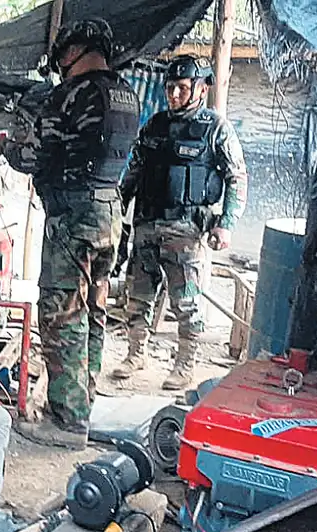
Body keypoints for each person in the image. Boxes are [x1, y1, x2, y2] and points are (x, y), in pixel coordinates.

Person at [0, 18, 141, 449]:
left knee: (62, 314)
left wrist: (0, 144)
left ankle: (66, 421)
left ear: (73, 51)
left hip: (74, 214)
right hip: (110, 212)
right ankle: (81, 406)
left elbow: (34, 156)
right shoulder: (126, 94)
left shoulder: (69, 95)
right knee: (93, 312)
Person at [113, 54, 248, 390]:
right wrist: (117, 208)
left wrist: (226, 223)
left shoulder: (216, 128)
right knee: (137, 296)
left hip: (187, 230)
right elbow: (134, 171)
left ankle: (184, 365)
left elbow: (237, 177)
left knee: (187, 302)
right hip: (147, 224)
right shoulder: (154, 126)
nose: (173, 95)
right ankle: (135, 354)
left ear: (200, 89)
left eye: (182, 88)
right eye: (170, 87)